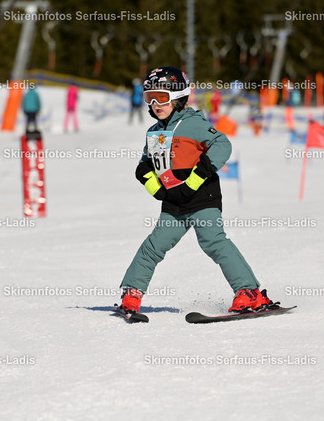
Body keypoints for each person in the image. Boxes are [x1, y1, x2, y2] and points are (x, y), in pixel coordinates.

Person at [118, 66, 278, 315]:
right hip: (174, 202)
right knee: (153, 247)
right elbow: (144, 165)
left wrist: (195, 179)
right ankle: (131, 293)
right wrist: (156, 189)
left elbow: (222, 145)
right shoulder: (154, 132)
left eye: (161, 97)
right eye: (150, 98)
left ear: (178, 97)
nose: (155, 104)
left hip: (202, 198)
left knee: (213, 242)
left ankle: (249, 293)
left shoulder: (192, 124)